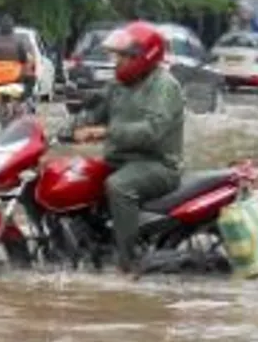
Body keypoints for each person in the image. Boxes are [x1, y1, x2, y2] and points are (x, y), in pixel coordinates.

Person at [70, 21, 185, 275]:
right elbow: (93, 114)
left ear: (142, 57)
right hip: (121, 161)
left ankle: (129, 262)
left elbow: (152, 132)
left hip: (158, 166)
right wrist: (62, 131)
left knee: (119, 186)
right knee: (73, 176)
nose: (116, 62)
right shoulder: (118, 85)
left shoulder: (164, 86)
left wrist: (106, 131)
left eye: (122, 56)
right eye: (116, 55)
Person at [0, 14, 36, 104]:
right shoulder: (18, 41)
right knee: (32, 78)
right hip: (13, 77)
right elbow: (24, 60)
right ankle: (23, 100)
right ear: (12, 28)